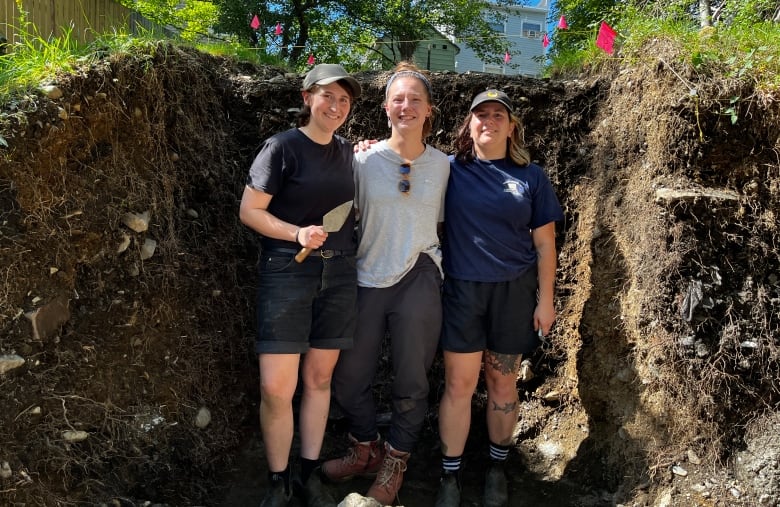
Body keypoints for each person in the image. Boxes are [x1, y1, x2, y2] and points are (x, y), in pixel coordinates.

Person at [321, 62, 450, 505]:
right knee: (349, 376)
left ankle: (396, 461)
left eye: (416, 99)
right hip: (367, 276)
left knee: (411, 380)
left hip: (419, 275)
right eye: (399, 98)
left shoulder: (447, 166)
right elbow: (336, 213)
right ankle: (365, 448)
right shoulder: (361, 161)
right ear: (385, 107)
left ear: (429, 109)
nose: (407, 105)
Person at [433, 90, 564, 507]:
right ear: (468, 125)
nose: (488, 120)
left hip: (513, 294)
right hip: (462, 291)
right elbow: (404, 165)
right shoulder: (447, 170)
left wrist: (546, 301)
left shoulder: (532, 177)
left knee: (503, 382)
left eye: (497, 115)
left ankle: (497, 467)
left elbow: (545, 245)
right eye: (480, 115)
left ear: (512, 126)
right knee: (459, 383)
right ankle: (450, 475)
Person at [239, 63, 362, 507]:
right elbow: (250, 211)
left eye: (344, 100)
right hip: (287, 270)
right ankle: (278, 481)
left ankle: (307, 475)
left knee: (319, 377)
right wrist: (296, 233)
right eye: (328, 96)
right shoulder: (282, 148)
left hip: (339, 274)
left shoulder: (351, 153)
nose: (336, 106)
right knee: (276, 386)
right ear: (307, 97)